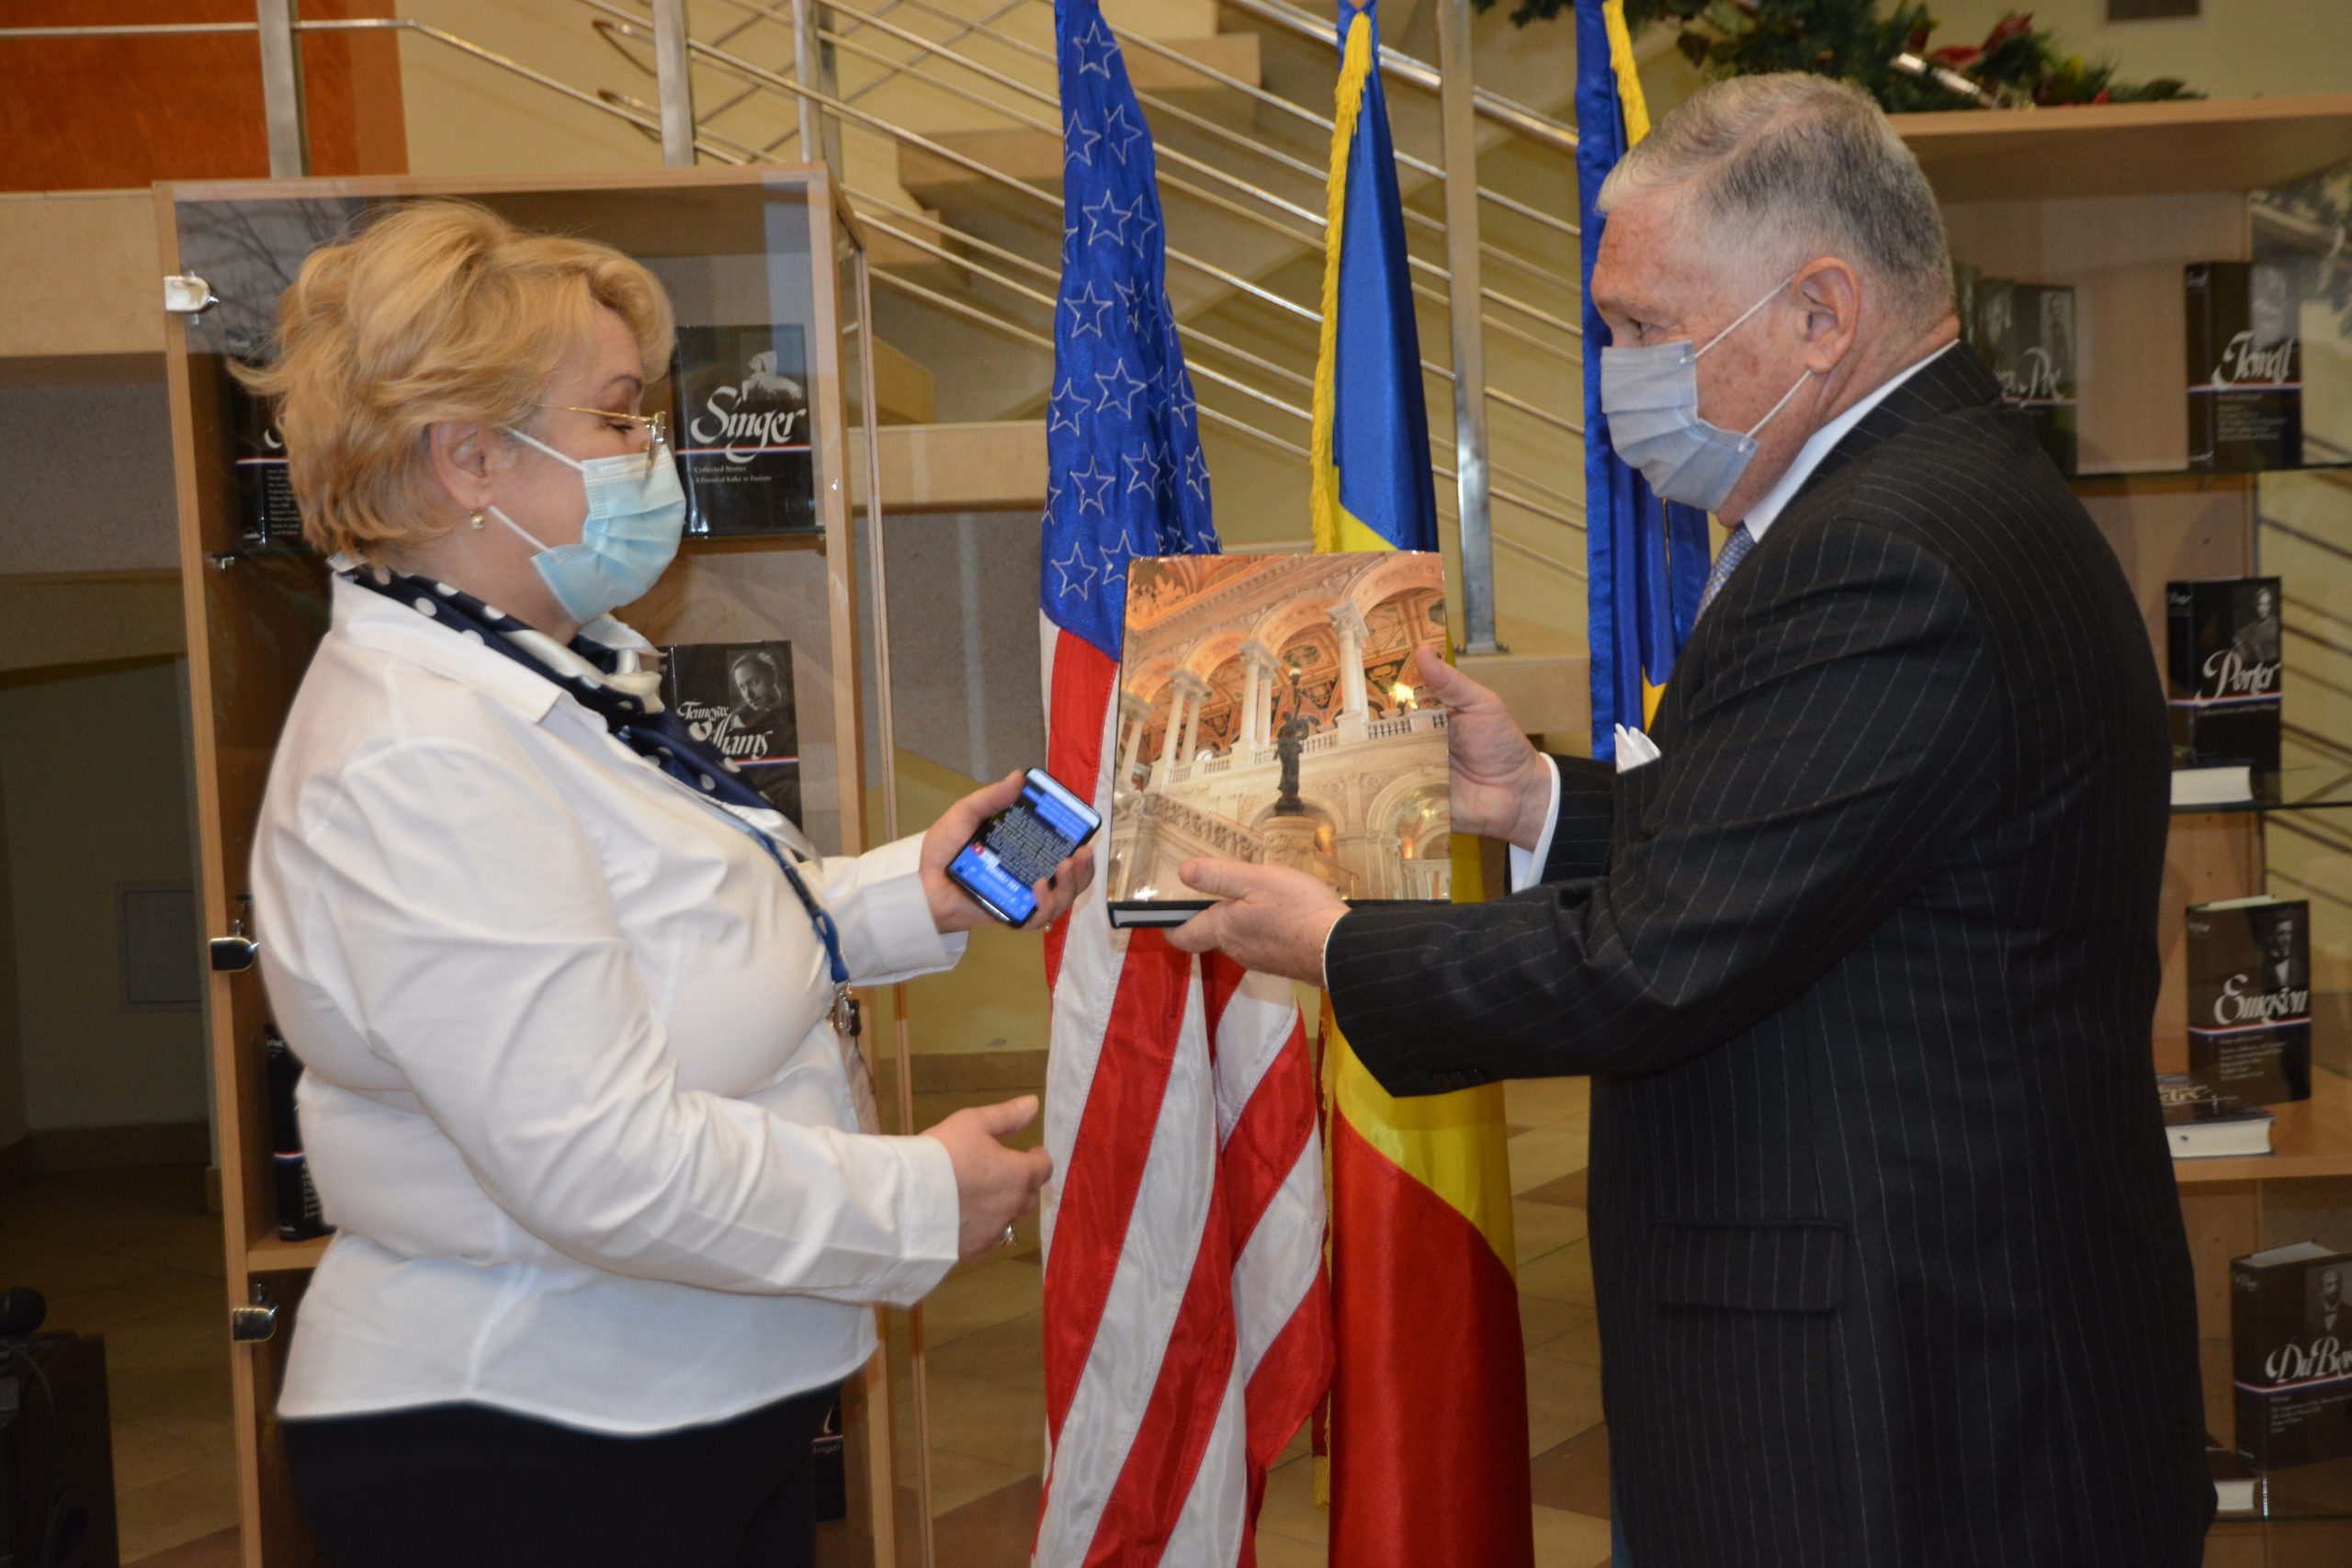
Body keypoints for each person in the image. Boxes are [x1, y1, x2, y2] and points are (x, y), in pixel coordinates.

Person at [1170, 74, 2210, 1567]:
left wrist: (1340, 943)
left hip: (1896, 1377)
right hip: (1941, 1325)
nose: (1617, 372)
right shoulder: (1932, 490)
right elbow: (1821, 844)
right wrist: (1535, 803)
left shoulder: (1882, 553)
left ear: (1820, 315)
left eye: (1649, 330)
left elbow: (1650, 968)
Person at [242, 199, 1090, 1568]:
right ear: (469, 460)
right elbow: (597, 1162)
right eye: (621, 418)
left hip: (682, 1408)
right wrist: (917, 1202)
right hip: (530, 1441)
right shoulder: (417, 756)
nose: (658, 456)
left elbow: (668, 944)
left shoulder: (536, 674)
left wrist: (908, 898)